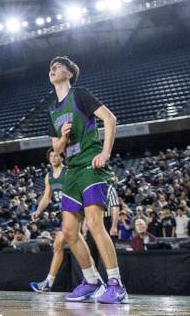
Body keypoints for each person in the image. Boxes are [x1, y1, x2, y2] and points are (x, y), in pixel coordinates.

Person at [46, 56, 127, 304]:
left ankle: (116, 283)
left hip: (91, 164)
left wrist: (105, 152)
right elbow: (55, 152)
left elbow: (110, 119)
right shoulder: (52, 109)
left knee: (93, 223)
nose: (53, 69)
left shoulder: (79, 94)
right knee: (69, 232)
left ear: (69, 74)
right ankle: (92, 280)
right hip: (71, 170)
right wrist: (62, 138)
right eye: (51, 67)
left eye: (58, 66)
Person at [29, 148, 67, 292]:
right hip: (65, 214)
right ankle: (48, 283)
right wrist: (38, 210)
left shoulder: (68, 172)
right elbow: (47, 197)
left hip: (76, 212)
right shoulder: (49, 176)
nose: (53, 158)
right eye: (51, 156)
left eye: (56, 155)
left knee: (61, 245)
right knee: (58, 246)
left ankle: (95, 281)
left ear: (62, 157)